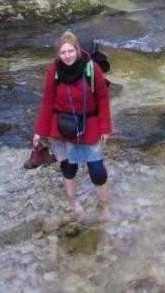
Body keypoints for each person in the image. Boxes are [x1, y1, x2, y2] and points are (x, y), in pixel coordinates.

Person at [33, 30, 112, 220]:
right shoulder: (54, 72)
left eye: (70, 51)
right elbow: (47, 102)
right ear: (58, 54)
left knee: (97, 172)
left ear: (77, 50)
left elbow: (103, 99)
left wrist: (105, 128)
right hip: (62, 127)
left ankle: (104, 206)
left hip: (89, 125)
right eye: (63, 53)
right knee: (68, 169)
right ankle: (72, 203)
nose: (67, 56)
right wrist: (39, 132)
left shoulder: (92, 69)